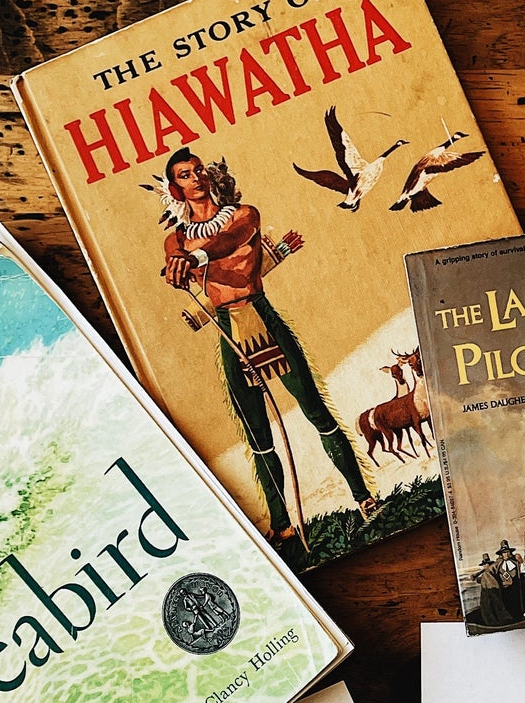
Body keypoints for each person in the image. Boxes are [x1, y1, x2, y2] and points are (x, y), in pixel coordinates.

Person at [160, 147, 377, 544]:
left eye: (198, 170)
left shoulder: (244, 216)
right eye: (186, 175)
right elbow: (176, 260)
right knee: (257, 435)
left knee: (315, 411)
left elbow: (229, 243)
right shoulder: (176, 239)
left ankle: (364, 498)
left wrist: (195, 259)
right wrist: (178, 268)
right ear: (176, 188)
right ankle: (282, 525)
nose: (196, 178)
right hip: (229, 328)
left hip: (263, 319)